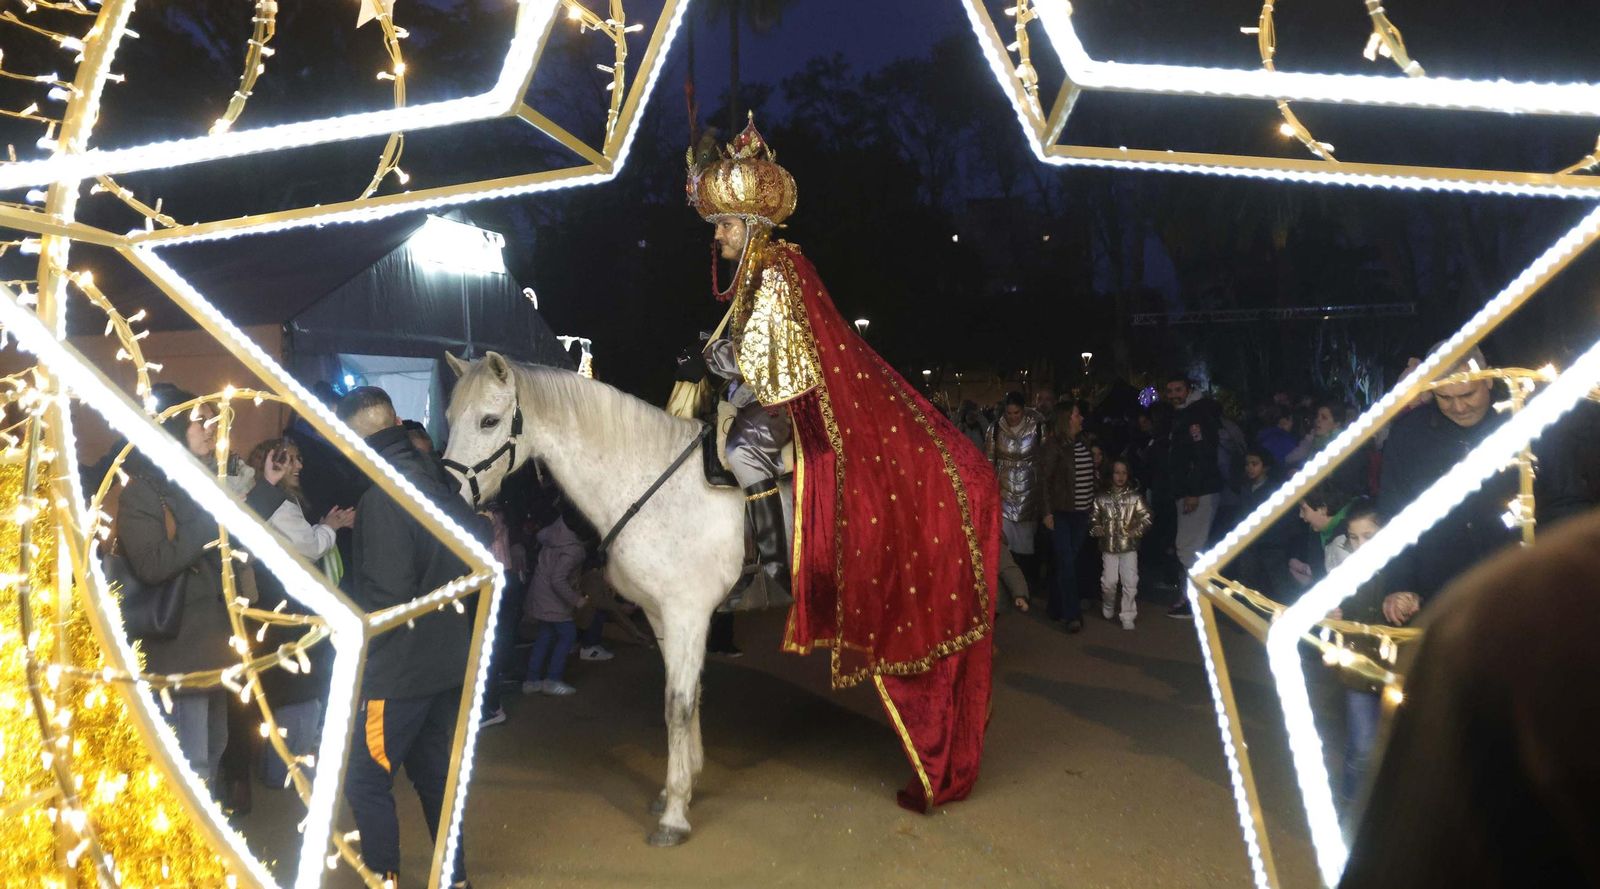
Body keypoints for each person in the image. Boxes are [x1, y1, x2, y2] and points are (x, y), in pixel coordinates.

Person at [684, 115, 1002, 811]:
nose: (718, 237)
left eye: (725, 226)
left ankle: (770, 564)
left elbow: (775, 374)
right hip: (769, 392)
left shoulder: (775, 273)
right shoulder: (758, 275)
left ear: (748, 223)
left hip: (784, 404)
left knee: (738, 450)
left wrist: (721, 364)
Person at [1339, 509, 1600, 889]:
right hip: (1361, 671)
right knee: (1365, 748)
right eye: (1354, 538)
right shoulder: (1544, 585)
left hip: (1397, 674)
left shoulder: (1536, 589)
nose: (1361, 545)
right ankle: (1353, 815)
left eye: (1369, 535)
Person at [336, 386, 478, 888]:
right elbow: (476, 546)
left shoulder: (381, 497)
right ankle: (453, 877)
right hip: (446, 659)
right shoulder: (431, 479)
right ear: (395, 420)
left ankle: (383, 878)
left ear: (350, 440)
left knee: (365, 776)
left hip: (398, 671)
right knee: (435, 774)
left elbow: (387, 596)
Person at [116, 384, 274, 795]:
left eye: (212, 420)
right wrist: (213, 516)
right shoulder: (142, 491)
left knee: (216, 746)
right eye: (199, 421)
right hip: (179, 648)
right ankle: (192, 851)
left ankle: (205, 845)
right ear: (168, 427)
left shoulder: (207, 479)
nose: (211, 429)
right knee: (192, 760)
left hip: (216, 641)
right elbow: (152, 565)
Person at [1375, 345, 1587, 625]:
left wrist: (1558, 570)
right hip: (1443, 596)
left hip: (1525, 587)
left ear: (1488, 379)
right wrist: (1400, 582)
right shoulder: (1408, 437)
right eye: (1445, 397)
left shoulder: (1531, 421)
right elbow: (1395, 517)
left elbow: (1567, 500)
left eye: (1467, 394)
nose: (1459, 407)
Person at [241, 437, 354, 791]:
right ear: (269, 464)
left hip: (276, 605)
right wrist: (330, 529)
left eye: (298, 459)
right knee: (299, 688)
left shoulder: (274, 500)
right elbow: (308, 546)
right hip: (287, 606)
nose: (299, 466)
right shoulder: (277, 504)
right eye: (290, 460)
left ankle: (284, 767)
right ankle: (285, 772)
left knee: (289, 686)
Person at [1162, 374, 1222, 618]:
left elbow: (1202, 455)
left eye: (1178, 389)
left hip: (1197, 492)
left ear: (1189, 389)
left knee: (1189, 548)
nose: (1174, 395)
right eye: (1170, 390)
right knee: (1192, 546)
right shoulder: (1189, 413)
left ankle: (1193, 602)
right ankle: (1193, 598)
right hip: (1193, 490)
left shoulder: (1195, 415)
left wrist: (1193, 491)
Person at [1038, 399, 1093, 631]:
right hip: (1062, 513)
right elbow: (1044, 481)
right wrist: (1047, 512)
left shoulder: (1083, 443)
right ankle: (1072, 615)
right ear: (1066, 419)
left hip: (1082, 513)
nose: (1080, 419)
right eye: (1076, 415)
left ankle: (1055, 605)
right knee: (1067, 564)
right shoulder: (1053, 446)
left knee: (1065, 563)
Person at [986, 392, 1045, 598]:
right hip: (1004, 492)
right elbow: (989, 461)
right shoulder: (994, 430)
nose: (1012, 417)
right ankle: (1008, 588)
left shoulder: (1037, 427)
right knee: (1004, 540)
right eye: (1009, 413)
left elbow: (1044, 458)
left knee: (1027, 540)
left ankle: (1027, 585)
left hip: (1030, 491)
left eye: (1016, 412)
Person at [521, 511, 587, 697]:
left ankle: (532, 680)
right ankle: (552, 679)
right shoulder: (573, 550)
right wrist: (577, 600)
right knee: (568, 635)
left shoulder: (553, 533)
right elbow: (558, 580)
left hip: (540, 593)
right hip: (554, 600)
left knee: (545, 635)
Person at [1088, 458, 1153, 629]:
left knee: (1130, 581)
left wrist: (1135, 531)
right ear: (1110, 474)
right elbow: (1093, 517)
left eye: (1124, 473)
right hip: (1108, 547)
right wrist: (1097, 528)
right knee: (1109, 582)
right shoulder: (1101, 498)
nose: (1120, 476)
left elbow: (1147, 517)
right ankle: (1108, 603)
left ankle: (1128, 615)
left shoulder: (1135, 497)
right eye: (1117, 472)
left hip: (1129, 546)